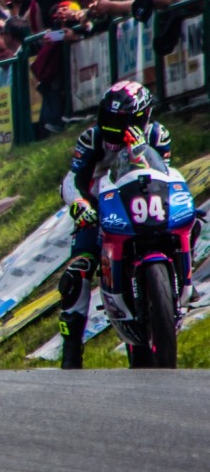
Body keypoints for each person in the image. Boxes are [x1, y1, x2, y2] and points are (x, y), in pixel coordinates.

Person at [57, 82, 171, 369]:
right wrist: (79, 205)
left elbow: (166, 175)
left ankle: (181, 287)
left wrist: (139, 153)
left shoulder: (158, 135)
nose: (113, 126)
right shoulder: (91, 138)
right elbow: (72, 180)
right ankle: (71, 354)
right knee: (79, 269)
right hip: (100, 213)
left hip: (145, 206)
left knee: (188, 225)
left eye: (121, 120)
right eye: (109, 117)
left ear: (142, 116)